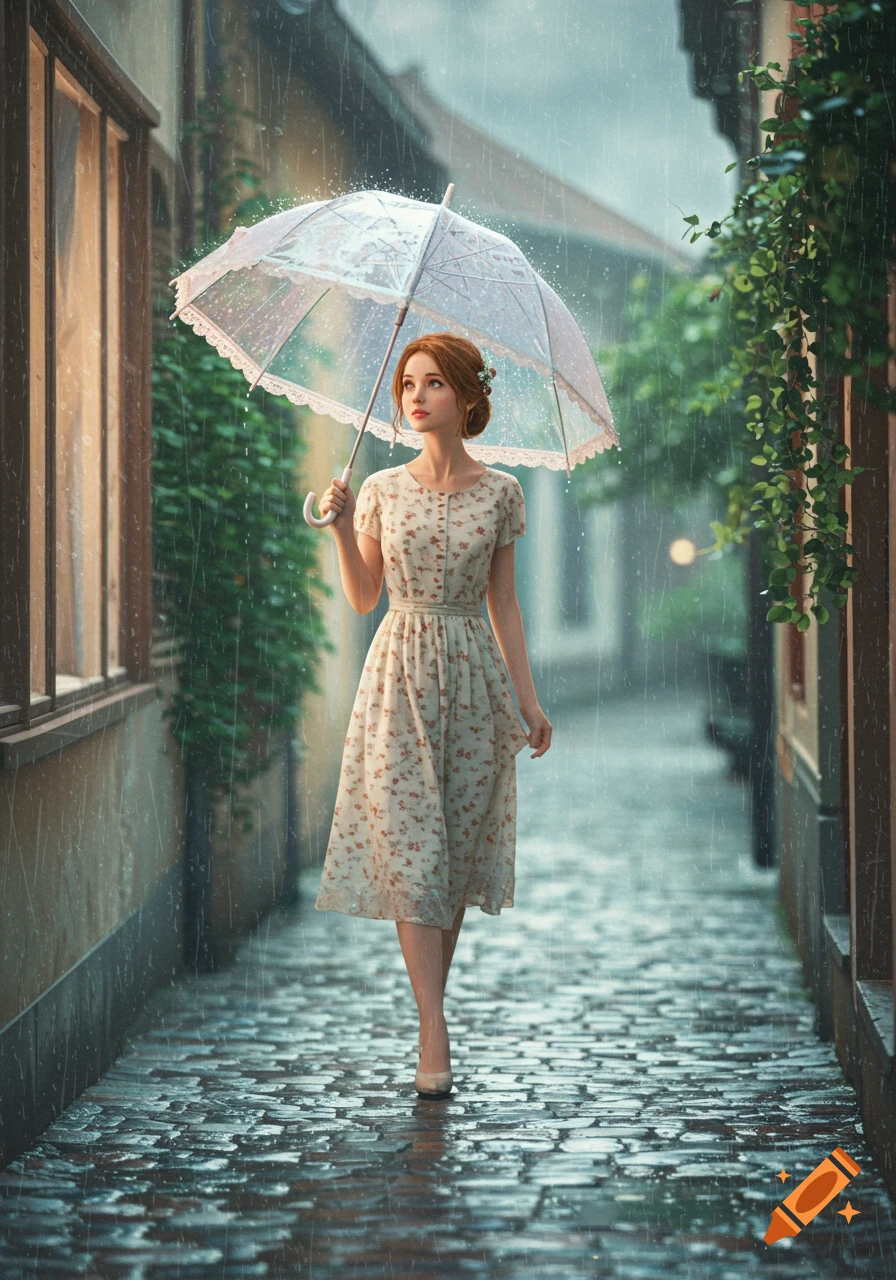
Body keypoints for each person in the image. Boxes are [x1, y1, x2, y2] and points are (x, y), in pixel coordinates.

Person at [314, 332, 552, 1099]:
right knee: (412, 850)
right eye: (408, 384)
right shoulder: (379, 488)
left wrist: (528, 697)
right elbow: (361, 596)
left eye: (434, 384)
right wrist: (344, 528)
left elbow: (505, 605)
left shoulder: (503, 491)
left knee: (447, 860)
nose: (415, 396)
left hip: (475, 680)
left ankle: (430, 1009)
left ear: (469, 398)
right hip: (397, 677)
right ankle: (433, 1026)